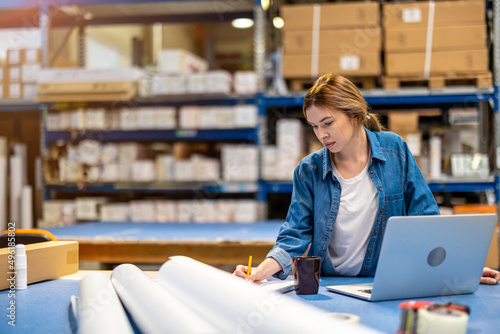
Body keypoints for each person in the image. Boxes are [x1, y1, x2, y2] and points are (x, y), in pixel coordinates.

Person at [233, 73, 500, 285]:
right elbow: (294, 236)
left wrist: (459, 269)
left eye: (327, 123)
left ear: (355, 115)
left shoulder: (395, 151)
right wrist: (259, 271)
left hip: (386, 282)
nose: (321, 134)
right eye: (314, 126)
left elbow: (426, 218)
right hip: (329, 286)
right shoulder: (308, 170)